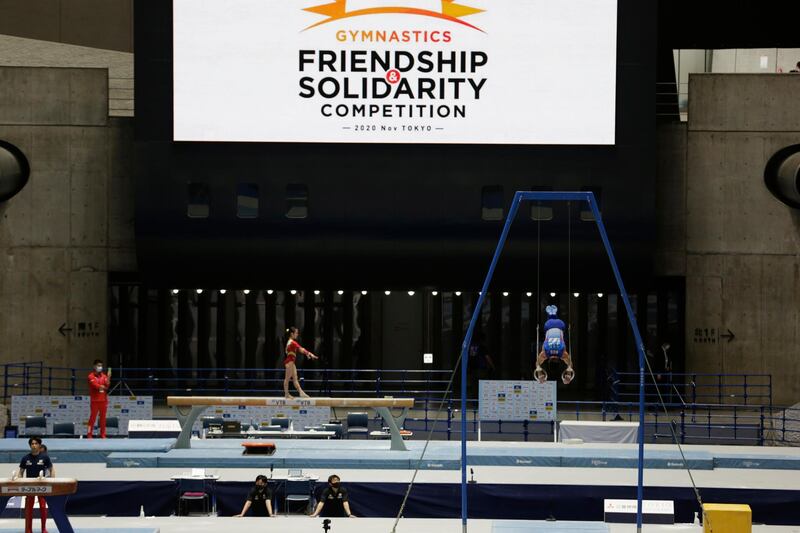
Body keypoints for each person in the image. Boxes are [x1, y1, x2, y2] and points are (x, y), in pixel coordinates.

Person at [17, 436, 54, 533]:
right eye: (32, 444)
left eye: (36, 443)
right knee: (29, 508)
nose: (34, 445)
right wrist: (19, 482)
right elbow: (21, 472)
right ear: (30, 446)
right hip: (29, 485)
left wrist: (53, 481)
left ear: (39, 445)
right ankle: (28, 529)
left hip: (42, 484)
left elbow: (51, 469)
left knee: (42, 507)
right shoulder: (25, 458)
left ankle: (43, 529)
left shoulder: (45, 457)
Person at [534, 305, 574, 385]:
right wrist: (539, 372)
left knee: (558, 329)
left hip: (561, 325)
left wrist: (569, 373)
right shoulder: (545, 354)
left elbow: (570, 364)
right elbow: (537, 363)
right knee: (548, 326)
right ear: (548, 361)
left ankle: (553, 313)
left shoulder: (562, 354)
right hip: (548, 325)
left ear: (559, 360)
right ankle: (551, 313)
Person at [284, 327, 319, 399]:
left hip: (291, 362)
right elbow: (301, 349)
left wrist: (307, 354)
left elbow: (300, 350)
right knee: (287, 379)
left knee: (295, 379)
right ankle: (286, 394)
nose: (297, 334)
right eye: (296, 333)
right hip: (289, 362)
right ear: (292, 334)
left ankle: (301, 392)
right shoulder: (292, 342)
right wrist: (310, 354)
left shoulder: (290, 342)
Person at [87, 359, 110, 438]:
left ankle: (103, 435)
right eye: (98, 365)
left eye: (101, 366)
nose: (100, 367)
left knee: (103, 419)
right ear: (94, 366)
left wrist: (108, 379)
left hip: (103, 400)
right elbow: (94, 385)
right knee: (92, 418)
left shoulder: (104, 376)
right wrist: (101, 386)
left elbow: (107, 386)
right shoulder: (90, 376)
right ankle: (89, 434)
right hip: (95, 401)